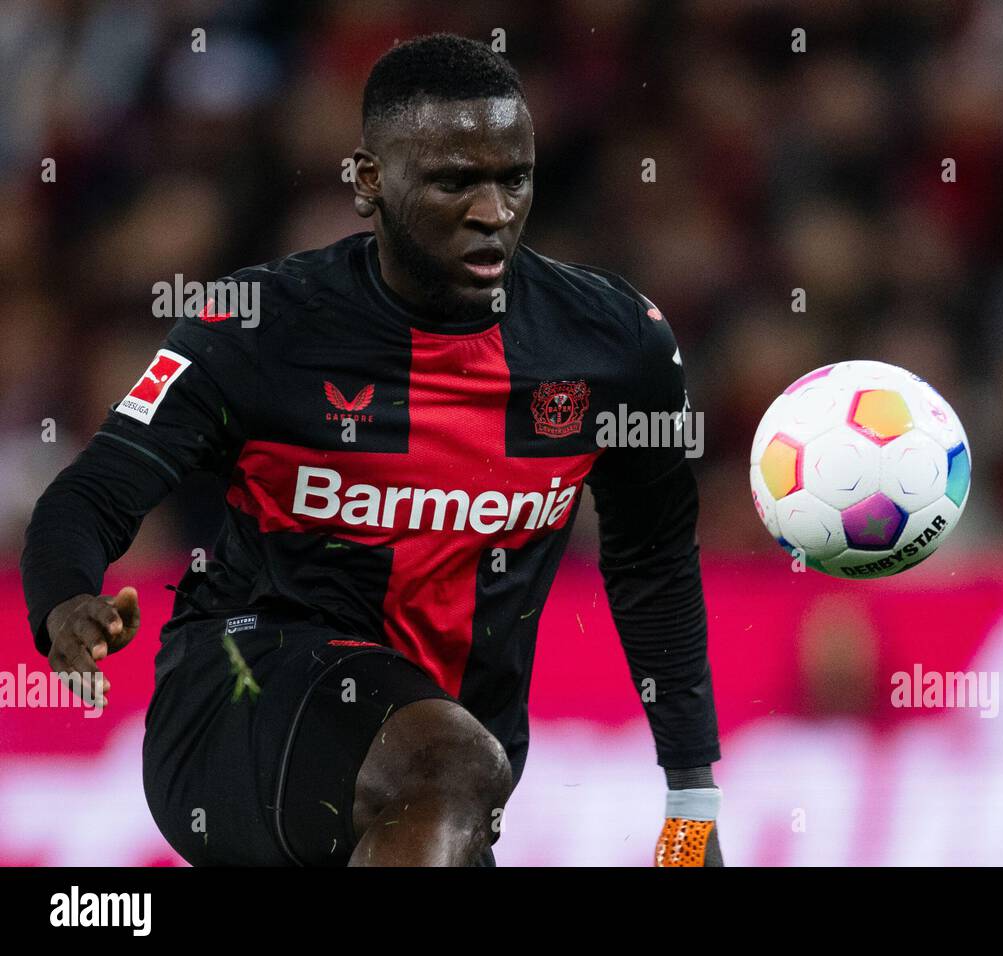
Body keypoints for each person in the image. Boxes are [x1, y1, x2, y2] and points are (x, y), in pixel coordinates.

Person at [21, 33, 722, 867]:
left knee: (450, 768)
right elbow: (96, 490)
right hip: (238, 700)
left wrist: (690, 812)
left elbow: (655, 566)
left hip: (444, 779)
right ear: (368, 182)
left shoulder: (615, 345)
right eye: (456, 181)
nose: (494, 212)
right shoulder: (258, 325)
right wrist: (64, 598)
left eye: (515, 178)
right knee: (448, 762)